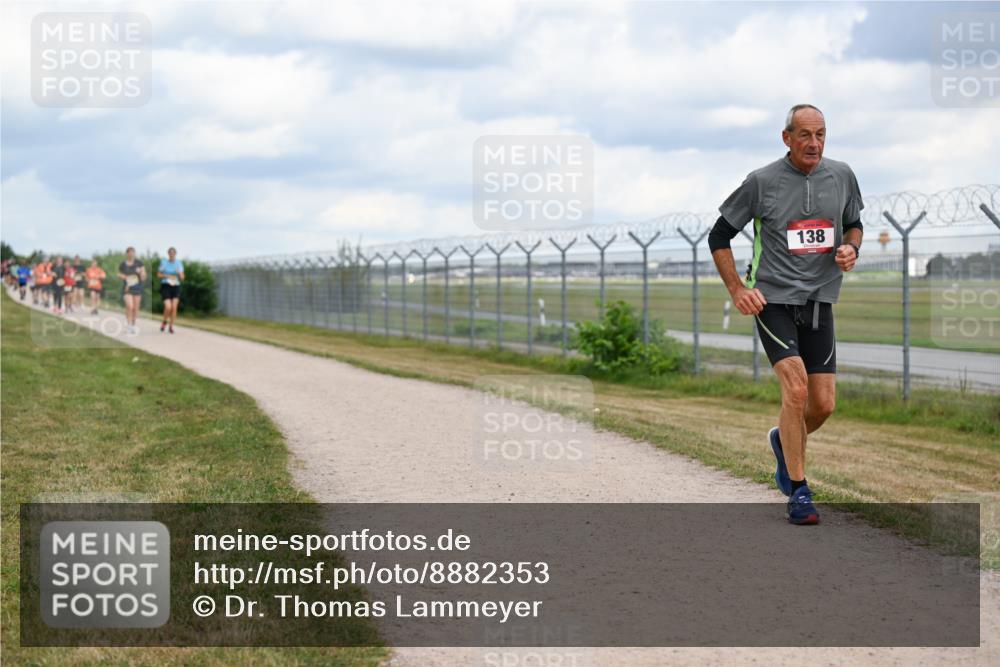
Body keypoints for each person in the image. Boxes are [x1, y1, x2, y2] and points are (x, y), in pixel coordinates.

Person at [709, 104, 863, 526]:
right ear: (787, 138)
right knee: (795, 392)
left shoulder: (843, 175)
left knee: (823, 404)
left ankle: (782, 440)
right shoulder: (762, 182)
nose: (814, 143)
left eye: (821, 135)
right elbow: (719, 235)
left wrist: (852, 248)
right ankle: (799, 491)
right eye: (805, 135)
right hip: (772, 299)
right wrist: (738, 289)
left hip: (820, 300)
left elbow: (854, 224)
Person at [156, 247, 185, 334]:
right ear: (168, 254)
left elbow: (182, 278)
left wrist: (179, 272)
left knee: (174, 307)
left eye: (173, 253)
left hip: (176, 286)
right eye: (170, 253)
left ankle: (171, 326)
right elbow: (158, 275)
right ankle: (164, 321)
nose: (171, 254)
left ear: (175, 254)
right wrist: (167, 276)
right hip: (166, 286)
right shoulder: (164, 263)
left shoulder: (179, 263)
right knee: (168, 307)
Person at [118, 247, 146, 334]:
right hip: (127, 288)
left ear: (135, 253)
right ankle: (129, 325)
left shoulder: (139, 263)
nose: (131, 254)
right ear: (127, 254)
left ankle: (133, 325)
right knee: (130, 306)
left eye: (133, 252)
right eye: (129, 252)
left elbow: (144, 275)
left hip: (137, 288)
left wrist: (142, 274)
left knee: (135, 308)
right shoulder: (123, 264)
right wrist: (125, 277)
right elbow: (119, 274)